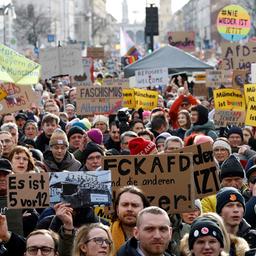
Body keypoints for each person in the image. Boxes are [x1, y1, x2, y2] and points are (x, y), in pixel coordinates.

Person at [111, 186, 150, 254]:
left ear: (144, 209)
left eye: (135, 205)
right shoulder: (105, 236)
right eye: (125, 205)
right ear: (117, 209)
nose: (129, 209)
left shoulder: (157, 237)